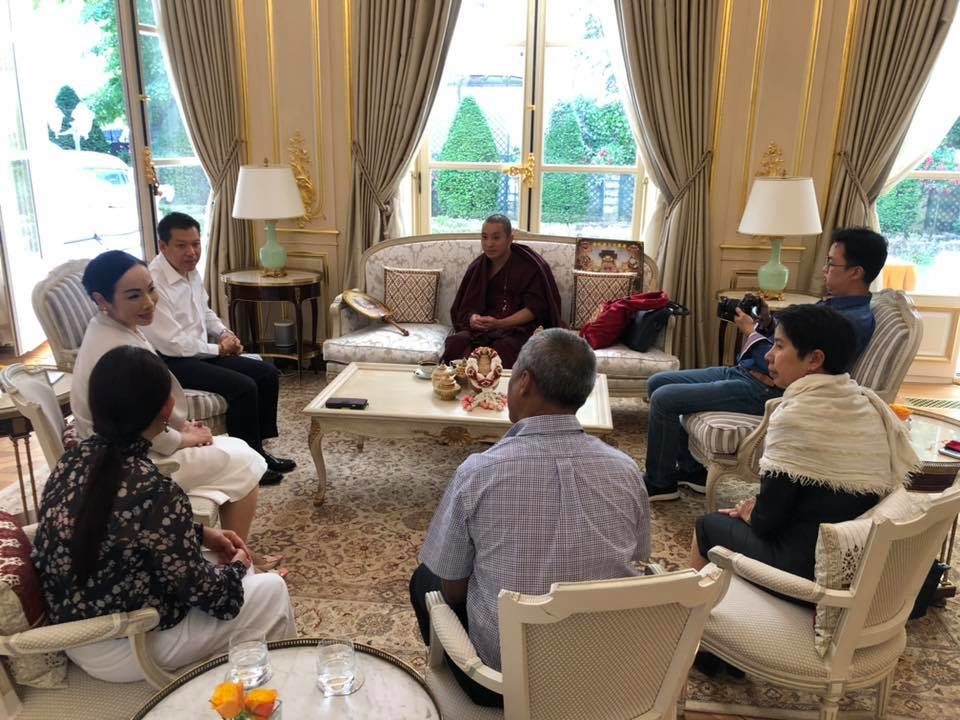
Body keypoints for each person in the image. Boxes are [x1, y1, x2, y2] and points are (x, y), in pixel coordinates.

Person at [411, 329, 650, 707]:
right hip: (605, 670)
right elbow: (637, 556)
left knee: (425, 579)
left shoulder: (478, 472)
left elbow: (453, 590)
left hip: (503, 682)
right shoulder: (626, 470)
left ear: (524, 382)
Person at [33, 346, 296, 683]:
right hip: (126, 643)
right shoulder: (153, 489)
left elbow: (122, 526)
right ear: (168, 407)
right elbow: (217, 600)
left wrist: (202, 534)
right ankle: (280, 685)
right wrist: (239, 566)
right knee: (270, 589)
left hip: (75, 633)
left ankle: (243, 681)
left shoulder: (72, 460)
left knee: (228, 569)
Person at [644, 226, 888, 501]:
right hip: (747, 373)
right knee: (657, 382)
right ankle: (691, 470)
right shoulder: (835, 306)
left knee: (665, 398)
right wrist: (769, 323)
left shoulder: (849, 322)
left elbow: (788, 367)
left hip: (767, 388)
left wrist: (751, 332)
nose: (824, 269)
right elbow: (792, 344)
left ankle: (660, 483)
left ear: (856, 272)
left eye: (831, 263)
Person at [690, 304, 918, 580]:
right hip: (858, 557)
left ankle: (691, 604)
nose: (769, 355)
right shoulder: (865, 405)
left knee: (706, 526)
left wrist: (751, 512)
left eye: (779, 346)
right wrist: (758, 509)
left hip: (807, 570)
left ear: (814, 359)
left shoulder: (797, 416)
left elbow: (766, 523)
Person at [73, 251, 272, 548]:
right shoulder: (114, 350)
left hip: (130, 450)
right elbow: (136, 429)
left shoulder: (110, 326)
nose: (148, 302)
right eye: (133, 296)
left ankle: (229, 549)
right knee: (247, 460)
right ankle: (235, 555)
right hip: (129, 468)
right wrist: (185, 438)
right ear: (101, 300)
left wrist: (182, 428)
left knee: (238, 448)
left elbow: (141, 410)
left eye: (151, 289)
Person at [139, 212, 294, 482]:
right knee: (243, 387)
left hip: (199, 352)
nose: (192, 252)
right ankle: (249, 463)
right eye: (182, 245)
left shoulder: (190, 271)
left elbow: (205, 311)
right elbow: (173, 343)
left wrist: (224, 333)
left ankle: (259, 450)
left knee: (267, 373)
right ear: (163, 246)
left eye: (196, 244)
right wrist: (219, 350)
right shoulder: (154, 283)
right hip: (171, 362)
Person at [441, 214, 563, 369]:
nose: (489, 244)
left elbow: (535, 309)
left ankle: (500, 385)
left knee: (504, 348)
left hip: (516, 328)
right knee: (456, 342)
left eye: (496, 238)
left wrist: (499, 323)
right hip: (483, 329)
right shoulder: (478, 267)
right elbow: (465, 307)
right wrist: (473, 318)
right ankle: (454, 382)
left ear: (510, 239)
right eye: (484, 237)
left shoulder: (528, 265)